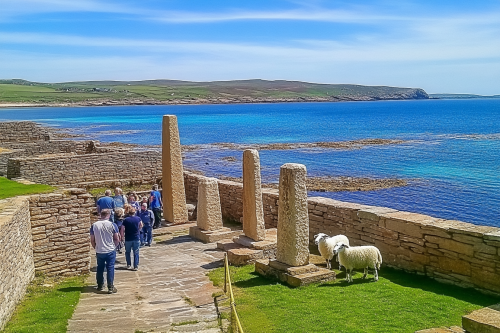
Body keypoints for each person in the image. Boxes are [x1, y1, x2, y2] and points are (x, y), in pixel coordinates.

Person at [90, 209, 119, 294]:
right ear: (109, 215)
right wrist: (115, 246)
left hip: (100, 250)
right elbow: (116, 238)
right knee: (110, 268)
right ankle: (110, 287)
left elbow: (92, 239)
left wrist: (95, 247)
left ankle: (100, 285)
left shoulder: (94, 225)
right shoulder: (112, 225)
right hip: (110, 249)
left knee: (100, 268)